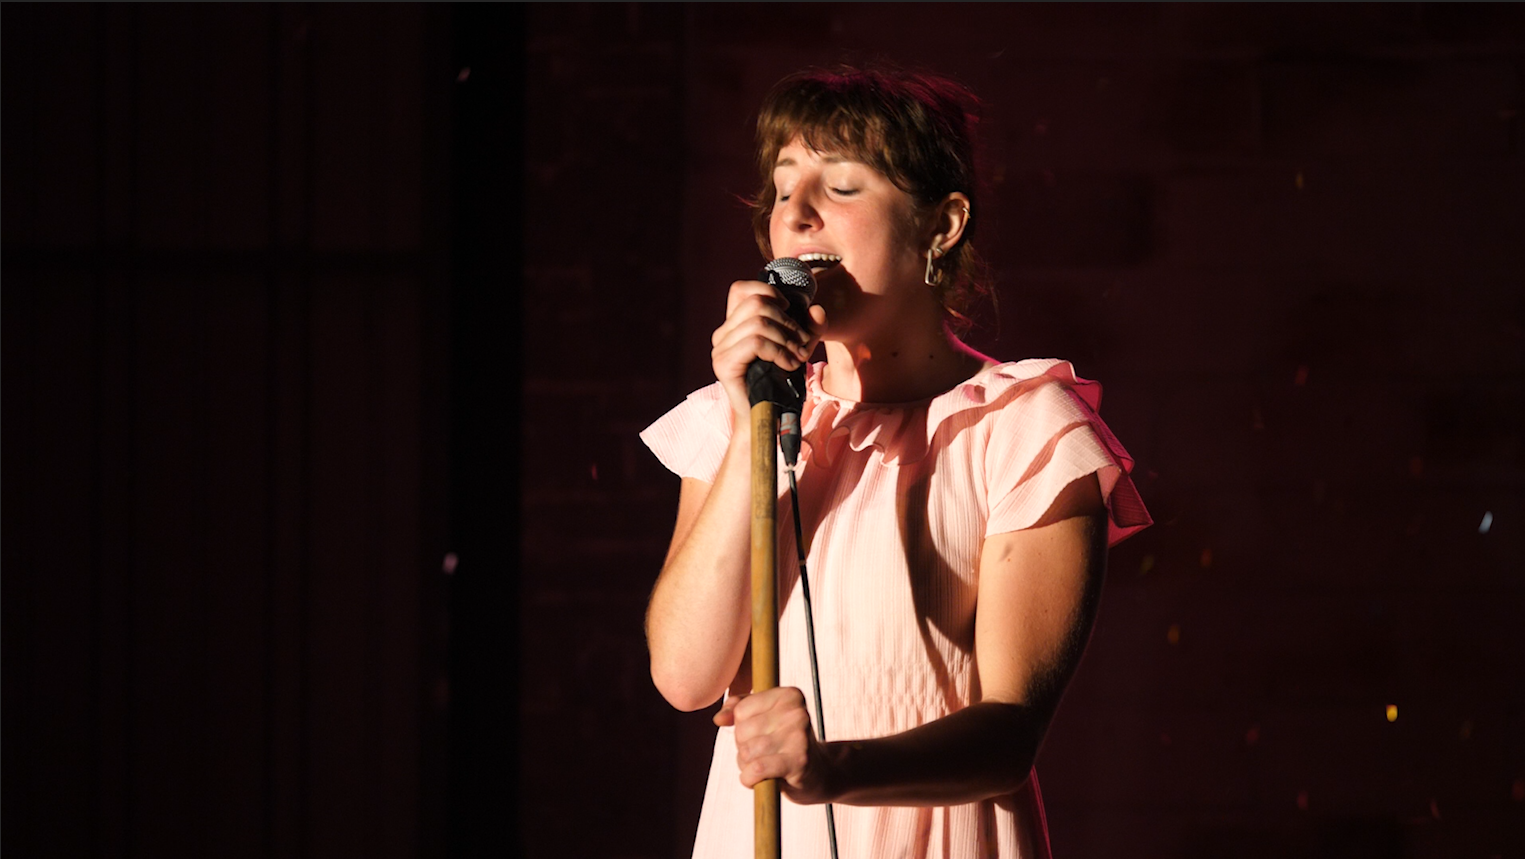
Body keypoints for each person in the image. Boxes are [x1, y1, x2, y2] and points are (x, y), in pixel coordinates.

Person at [640, 65, 1151, 858]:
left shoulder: (1024, 430)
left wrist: (830, 768)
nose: (796, 213)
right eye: (782, 188)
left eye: (841, 186)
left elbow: (1008, 736)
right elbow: (684, 674)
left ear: (940, 225)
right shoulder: (735, 418)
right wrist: (750, 428)